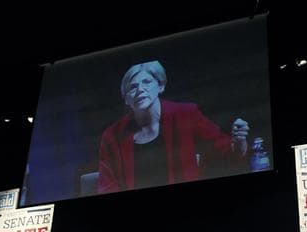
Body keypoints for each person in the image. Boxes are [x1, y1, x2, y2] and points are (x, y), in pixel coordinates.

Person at [97, 60, 250, 193]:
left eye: (146, 82)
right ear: (126, 99)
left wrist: (239, 141)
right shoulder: (112, 135)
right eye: (132, 87)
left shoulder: (185, 114)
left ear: (160, 86)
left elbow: (226, 151)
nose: (140, 90)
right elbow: (107, 188)